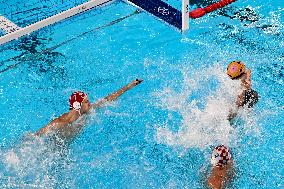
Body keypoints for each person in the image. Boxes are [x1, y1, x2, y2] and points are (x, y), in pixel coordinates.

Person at [35, 79, 143, 141]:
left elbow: (107, 99)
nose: (90, 103)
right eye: (86, 102)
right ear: (77, 105)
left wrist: (128, 87)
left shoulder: (86, 112)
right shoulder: (61, 122)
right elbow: (36, 136)